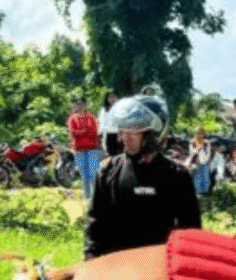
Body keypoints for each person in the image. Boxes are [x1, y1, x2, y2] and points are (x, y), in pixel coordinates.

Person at [84, 95, 201, 259]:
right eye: (123, 129)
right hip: (116, 268)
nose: (123, 137)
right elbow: (95, 227)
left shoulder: (177, 176)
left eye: (133, 130)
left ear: (153, 133)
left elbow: (190, 233)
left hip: (157, 270)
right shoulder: (107, 171)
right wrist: (91, 263)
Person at [67, 96, 102, 200]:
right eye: (77, 104)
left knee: (93, 174)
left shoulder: (92, 117)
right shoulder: (72, 119)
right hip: (79, 150)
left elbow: (94, 132)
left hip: (92, 149)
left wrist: (82, 132)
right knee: (84, 176)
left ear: (85, 104)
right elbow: (73, 133)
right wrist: (85, 131)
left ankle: (96, 198)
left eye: (81, 103)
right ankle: (87, 199)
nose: (79, 106)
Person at [186, 127, 213, 195]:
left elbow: (208, 154)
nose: (200, 135)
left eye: (201, 133)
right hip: (196, 160)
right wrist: (194, 149)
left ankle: (203, 191)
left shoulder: (207, 142)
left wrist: (206, 157)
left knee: (204, 175)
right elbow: (191, 152)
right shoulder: (192, 141)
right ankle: (199, 192)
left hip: (204, 160)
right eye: (198, 133)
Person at [98, 91, 122, 156]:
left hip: (121, 133)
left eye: (114, 97)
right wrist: (101, 136)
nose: (112, 99)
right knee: (111, 154)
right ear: (107, 99)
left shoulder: (122, 108)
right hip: (109, 134)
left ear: (117, 98)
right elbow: (102, 123)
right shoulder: (104, 109)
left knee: (121, 154)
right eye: (110, 97)